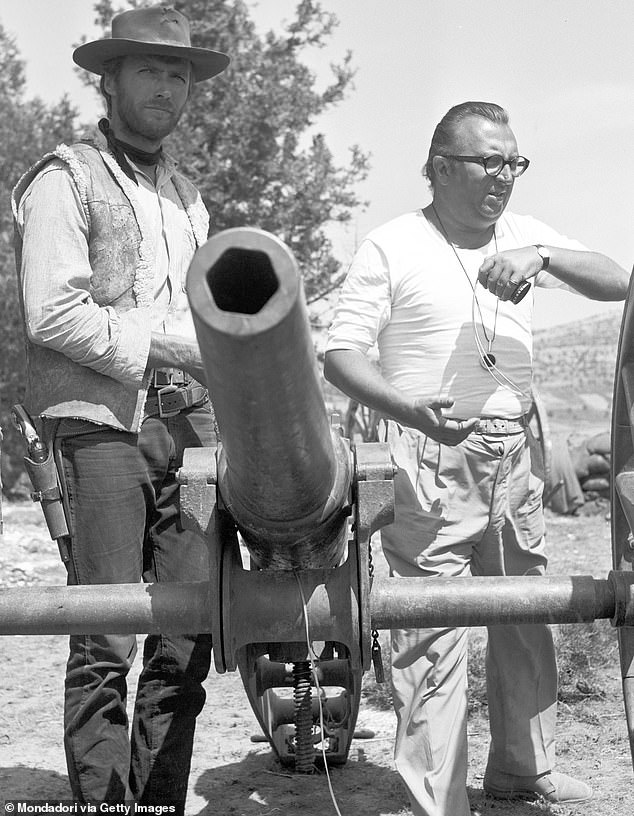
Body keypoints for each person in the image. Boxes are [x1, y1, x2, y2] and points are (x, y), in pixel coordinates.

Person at [324, 101, 629, 816]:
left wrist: (545, 256)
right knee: (434, 629)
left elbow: (621, 280)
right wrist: (410, 411)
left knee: (526, 613)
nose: (504, 177)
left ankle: (525, 771)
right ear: (438, 167)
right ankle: (440, 800)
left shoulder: (523, 236)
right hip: (428, 457)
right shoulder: (392, 244)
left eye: (513, 162)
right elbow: (340, 354)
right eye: (488, 162)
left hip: (513, 459)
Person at [12, 6, 230, 810]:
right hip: (101, 429)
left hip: (190, 433)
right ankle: (108, 806)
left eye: (179, 75)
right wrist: (170, 348)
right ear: (109, 81)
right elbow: (54, 314)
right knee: (105, 634)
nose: (167, 88)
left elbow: (201, 320)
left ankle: (157, 803)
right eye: (150, 70)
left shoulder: (186, 193)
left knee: (186, 634)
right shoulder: (61, 178)